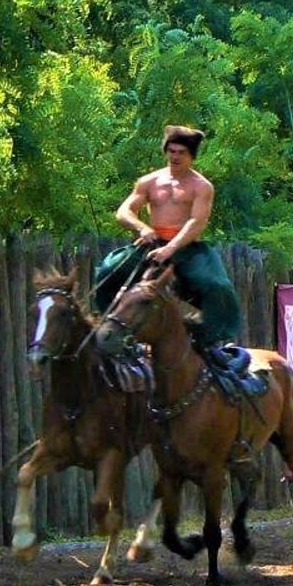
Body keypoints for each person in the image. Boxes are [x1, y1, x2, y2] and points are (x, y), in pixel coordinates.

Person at [96, 125, 261, 396]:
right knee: (108, 269)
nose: (174, 157)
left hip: (186, 247)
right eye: (171, 151)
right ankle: (110, 328)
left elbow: (197, 222)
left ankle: (207, 340)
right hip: (150, 243)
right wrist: (142, 228)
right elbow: (124, 211)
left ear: (191, 155)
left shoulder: (201, 186)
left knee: (217, 286)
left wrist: (171, 248)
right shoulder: (149, 181)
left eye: (181, 152)